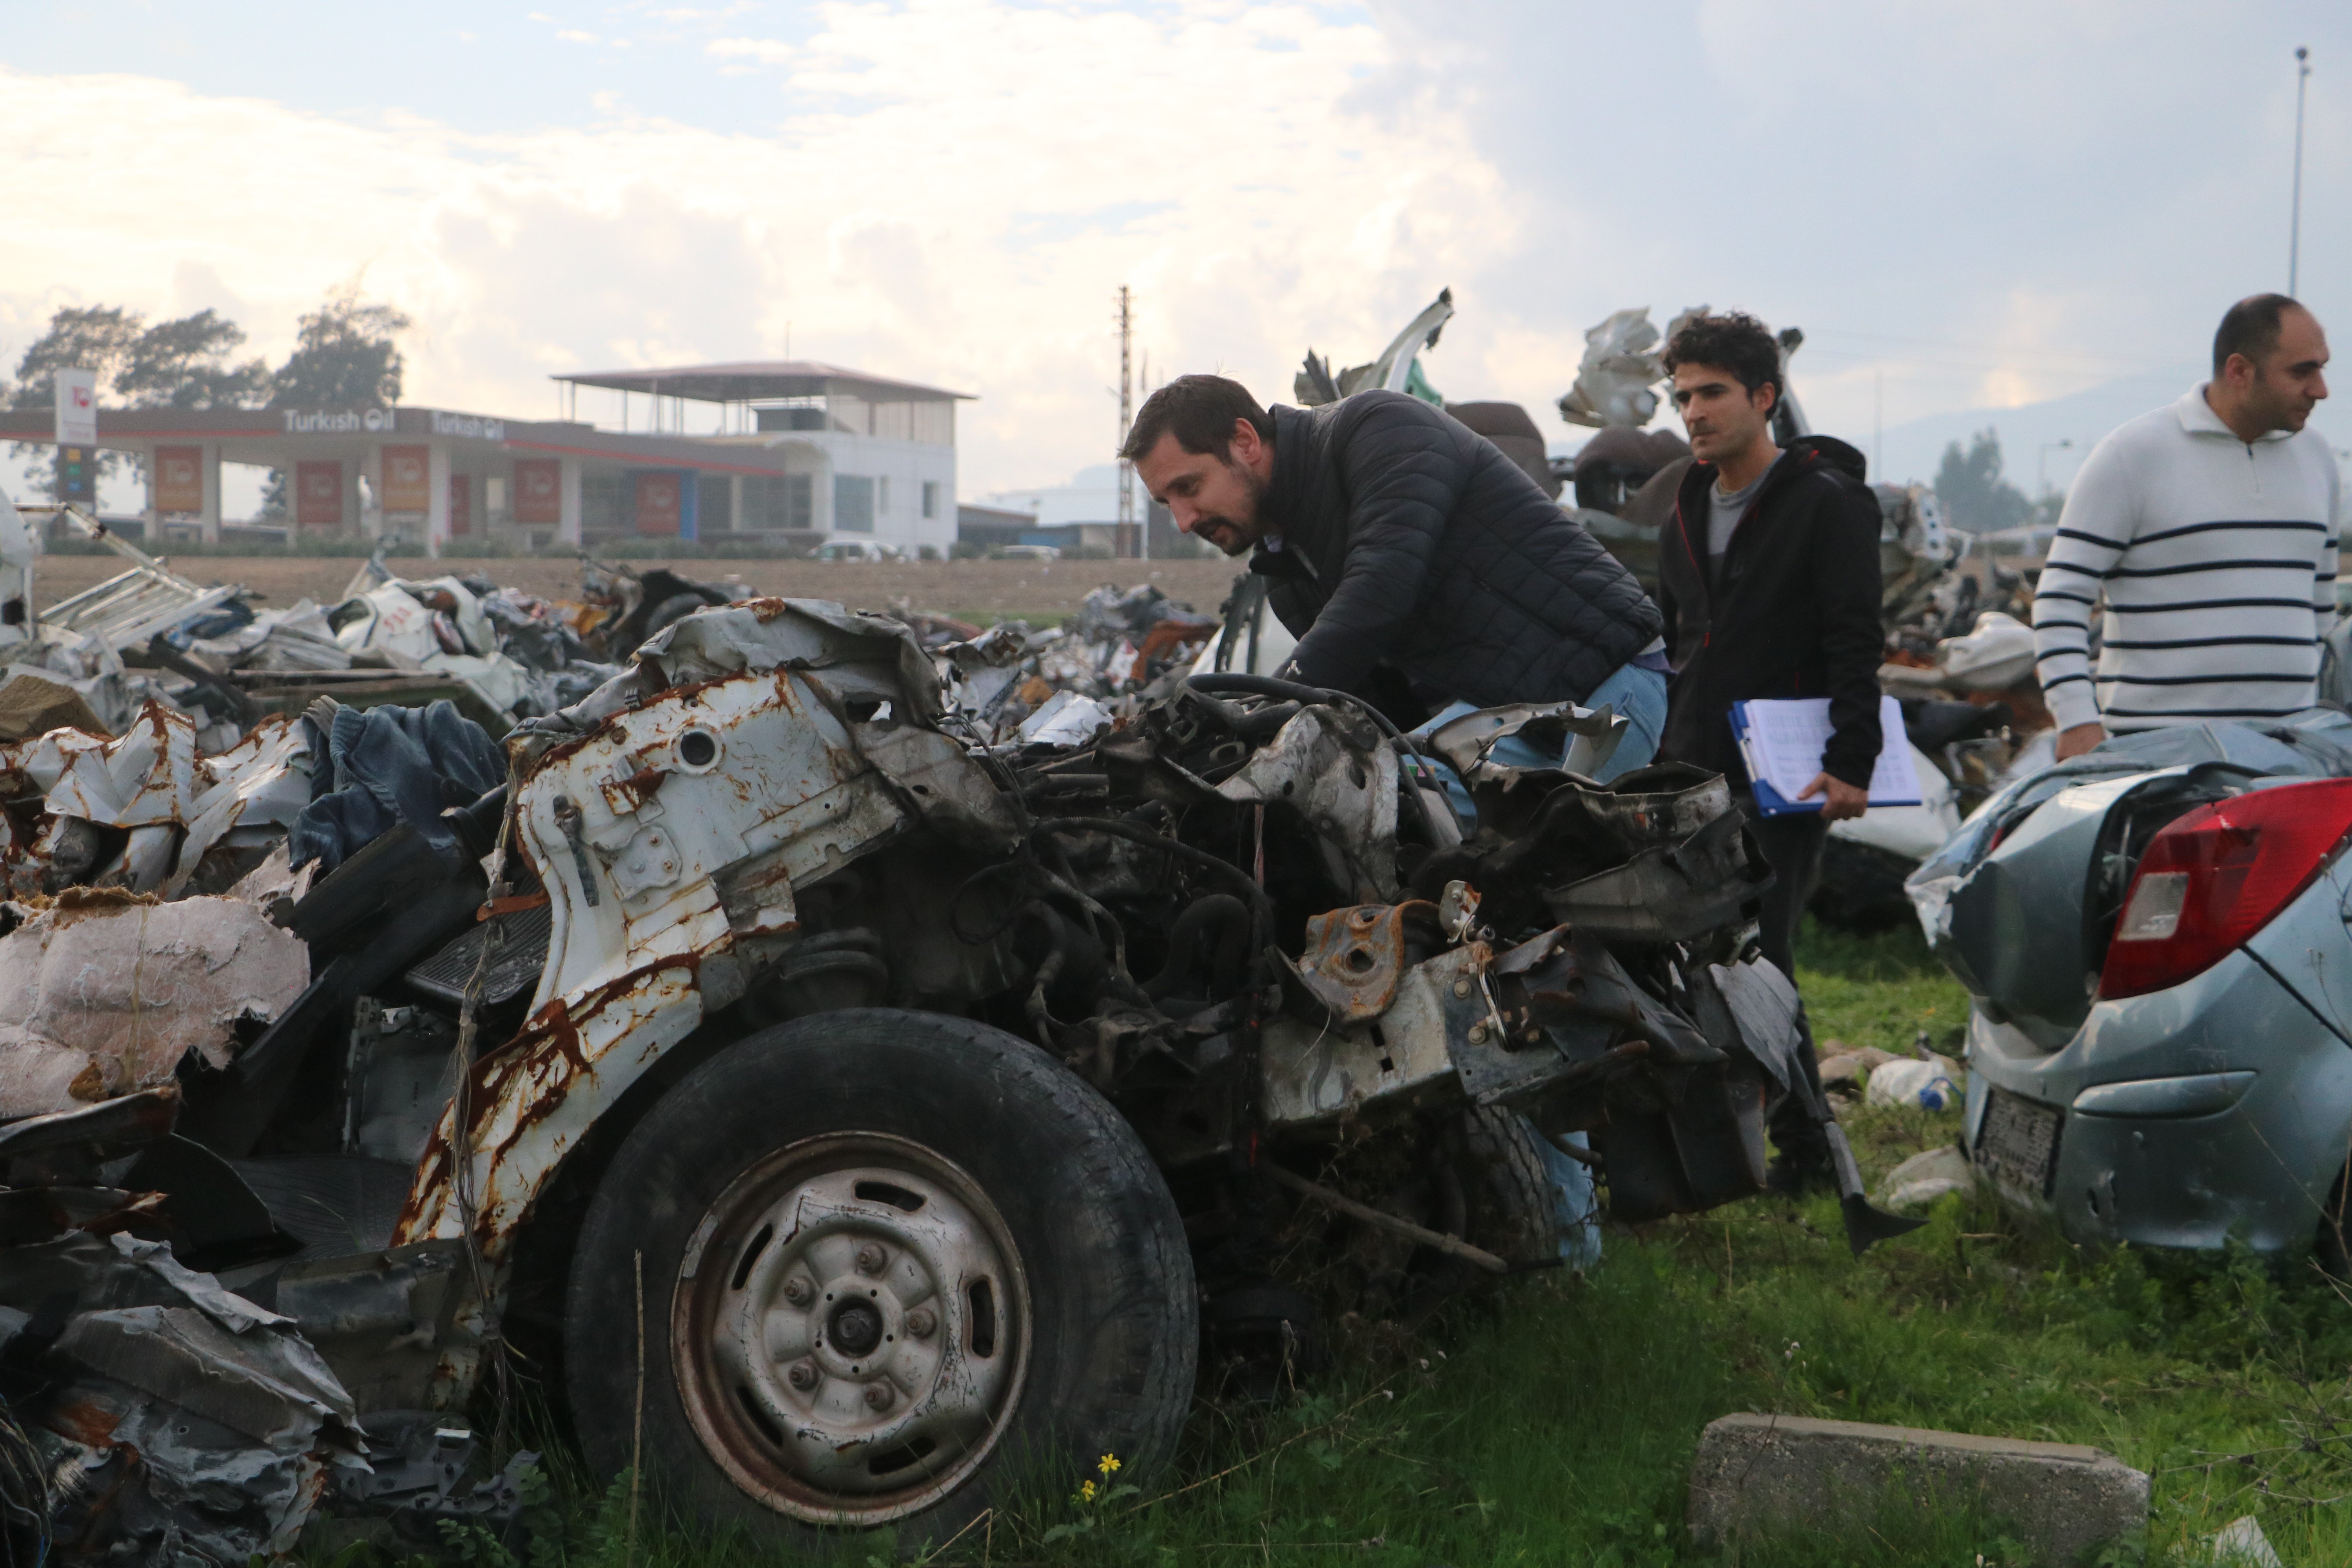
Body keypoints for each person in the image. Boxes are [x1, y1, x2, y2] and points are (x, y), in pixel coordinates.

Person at [1123, 374, 1668, 782]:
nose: (1184, 520)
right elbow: (1372, 708)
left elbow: (1382, 580)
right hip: (1498, 717)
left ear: (1245, 441)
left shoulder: (1378, 429)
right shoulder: (1285, 571)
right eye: (1165, 502)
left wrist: (1259, 713)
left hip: (1601, 688)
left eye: (1189, 487)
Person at [1653, 311, 1885, 1192]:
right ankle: (1729, 1136)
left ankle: (1811, 1150)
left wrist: (1852, 761)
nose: (1695, 411)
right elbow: (1683, 635)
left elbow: (1856, 638)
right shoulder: (1681, 502)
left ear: (1764, 396)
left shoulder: (1826, 504)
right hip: (1690, 762)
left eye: (1712, 392)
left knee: (1764, 956)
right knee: (1697, 952)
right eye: (1682, 395)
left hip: (1791, 770)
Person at [2034, 295, 2338, 759]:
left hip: (2290, 758)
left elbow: (2320, 607)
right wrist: (2076, 721)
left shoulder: (2319, 460)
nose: (2321, 389)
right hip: (2157, 757)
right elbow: (2060, 600)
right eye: (2301, 371)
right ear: (2239, 371)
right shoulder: (2133, 455)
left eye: (2322, 368)